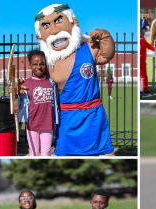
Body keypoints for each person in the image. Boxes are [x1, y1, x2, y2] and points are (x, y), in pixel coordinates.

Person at [33, 4, 114, 156]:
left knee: (94, 155)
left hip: (92, 116)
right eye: (46, 25)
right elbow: (36, 84)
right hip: (67, 118)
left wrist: (104, 35)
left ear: (74, 21)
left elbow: (106, 55)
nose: (54, 30)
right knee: (66, 154)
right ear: (39, 36)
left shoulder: (88, 48)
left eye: (58, 21)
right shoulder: (46, 63)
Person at [12, 49, 58, 156]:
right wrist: (15, 92)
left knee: (46, 153)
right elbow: (18, 103)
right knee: (34, 153)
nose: (38, 67)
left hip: (48, 125)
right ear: (30, 66)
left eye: (41, 64)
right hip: (32, 125)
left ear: (45, 65)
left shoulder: (51, 82)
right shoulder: (27, 83)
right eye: (35, 64)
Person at [139, 28, 156, 97]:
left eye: (144, 33)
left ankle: (140, 91)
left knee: (140, 76)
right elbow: (150, 47)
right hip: (141, 59)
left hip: (139, 59)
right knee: (144, 76)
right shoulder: (142, 40)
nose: (143, 34)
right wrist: (153, 49)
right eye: (142, 33)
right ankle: (145, 92)